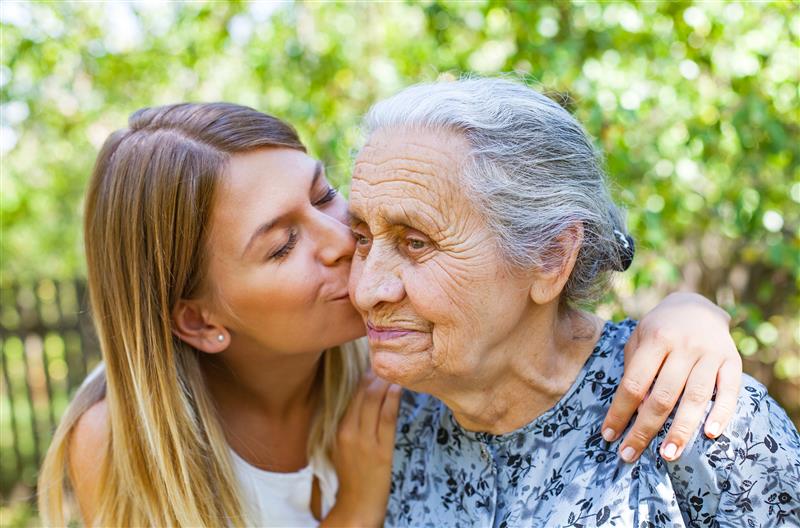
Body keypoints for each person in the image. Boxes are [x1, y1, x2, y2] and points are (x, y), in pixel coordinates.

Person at [40, 102, 744, 527]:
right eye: (282, 245)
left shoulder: (407, 356)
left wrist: (690, 313)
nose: (344, 243)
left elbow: (526, 308)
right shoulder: (124, 441)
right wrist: (356, 508)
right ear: (198, 321)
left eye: (322, 196)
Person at [348, 78, 800, 527]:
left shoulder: (697, 411)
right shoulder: (382, 423)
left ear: (550, 257)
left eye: (416, 242)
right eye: (362, 238)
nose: (367, 290)